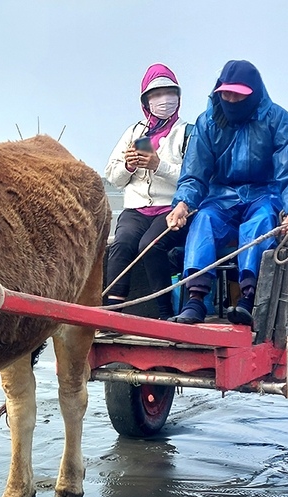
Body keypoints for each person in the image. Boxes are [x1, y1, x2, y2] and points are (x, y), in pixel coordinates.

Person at [167, 60, 288, 325]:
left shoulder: (277, 119)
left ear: (253, 93)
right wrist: (183, 204)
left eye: (238, 94)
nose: (230, 99)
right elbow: (195, 173)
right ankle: (195, 300)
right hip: (221, 196)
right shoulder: (207, 122)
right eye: (226, 93)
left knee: (261, 221)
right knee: (203, 220)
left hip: (263, 194)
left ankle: (248, 298)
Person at [104, 63, 191, 320]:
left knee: (150, 245)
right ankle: (112, 313)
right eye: (155, 94)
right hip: (137, 208)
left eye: (169, 92)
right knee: (122, 244)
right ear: (146, 100)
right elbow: (113, 175)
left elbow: (193, 178)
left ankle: (165, 314)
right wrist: (129, 165)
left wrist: (158, 165)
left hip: (172, 209)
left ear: (178, 96)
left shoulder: (187, 132)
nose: (163, 99)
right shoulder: (136, 132)